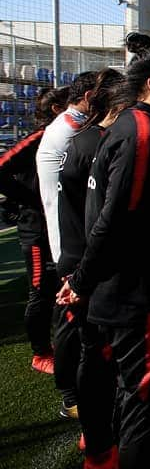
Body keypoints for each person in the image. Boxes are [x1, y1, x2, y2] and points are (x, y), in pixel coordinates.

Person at [56, 35, 150, 469]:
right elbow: (113, 220)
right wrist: (80, 282)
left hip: (130, 293)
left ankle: (112, 464)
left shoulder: (147, 127)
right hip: (140, 297)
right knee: (146, 397)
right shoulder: (142, 131)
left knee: (125, 390)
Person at [55, 68, 124, 469]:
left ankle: (96, 434)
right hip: (89, 267)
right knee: (99, 355)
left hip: (79, 260)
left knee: (94, 354)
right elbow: (104, 220)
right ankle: (99, 444)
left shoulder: (79, 141)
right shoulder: (99, 145)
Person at [0, 86, 69, 378]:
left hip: (66, 227)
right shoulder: (39, 139)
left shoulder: (74, 137)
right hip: (37, 231)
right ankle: (41, 353)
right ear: (56, 109)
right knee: (41, 291)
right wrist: (34, 200)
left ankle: (66, 342)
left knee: (66, 287)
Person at [36, 71, 96, 271]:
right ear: (89, 97)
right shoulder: (73, 128)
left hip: (73, 233)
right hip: (73, 237)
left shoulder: (69, 123)